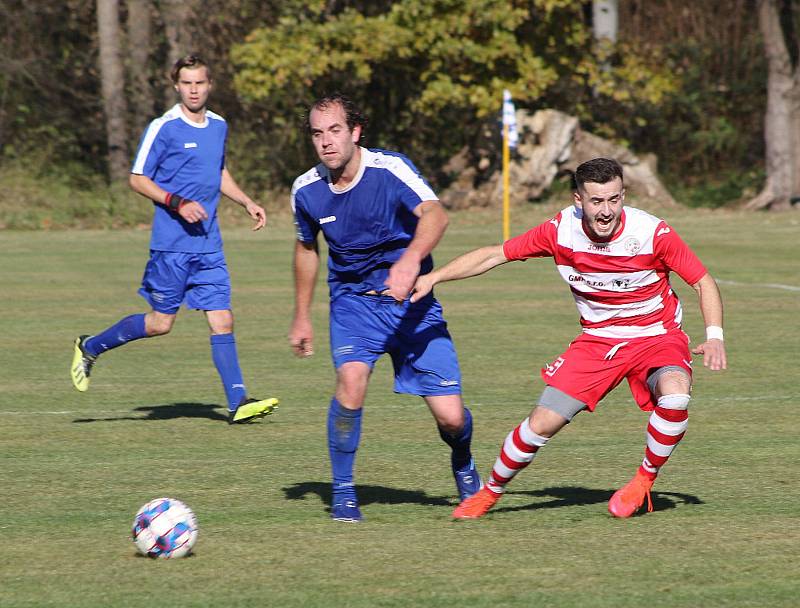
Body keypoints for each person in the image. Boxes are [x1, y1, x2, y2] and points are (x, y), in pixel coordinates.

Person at [412, 157, 727, 519]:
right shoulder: (560, 230)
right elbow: (495, 255)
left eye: (614, 199)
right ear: (579, 200)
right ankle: (490, 492)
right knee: (539, 426)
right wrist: (433, 278)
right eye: (596, 201)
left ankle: (643, 482)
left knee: (675, 395)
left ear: (623, 194)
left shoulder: (652, 232)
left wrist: (714, 336)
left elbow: (702, 281)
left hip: (656, 336)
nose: (606, 211)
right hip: (597, 341)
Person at [288, 93, 481, 522]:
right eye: (318, 133)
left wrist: (411, 260)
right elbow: (306, 249)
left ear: (356, 132)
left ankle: (463, 460)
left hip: (412, 303)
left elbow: (435, 215)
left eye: (335, 130)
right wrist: (301, 315)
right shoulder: (306, 191)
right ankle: (343, 491)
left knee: (451, 418)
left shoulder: (389, 170)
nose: (326, 142)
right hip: (354, 305)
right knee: (351, 383)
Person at [70, 54, 278, 424]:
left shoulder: (219, 126)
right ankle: (91, 346)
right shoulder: (163, 127)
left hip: (209, 244)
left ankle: (238, 401)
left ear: (210, 85)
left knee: (222, 319)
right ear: (176, 86)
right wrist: (177, 202)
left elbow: (219, 171)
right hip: (172, 247)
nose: (194, 89)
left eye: (200, 82)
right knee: (160, 324)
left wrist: (246, 201)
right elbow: (137, 178)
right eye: (187, 83)